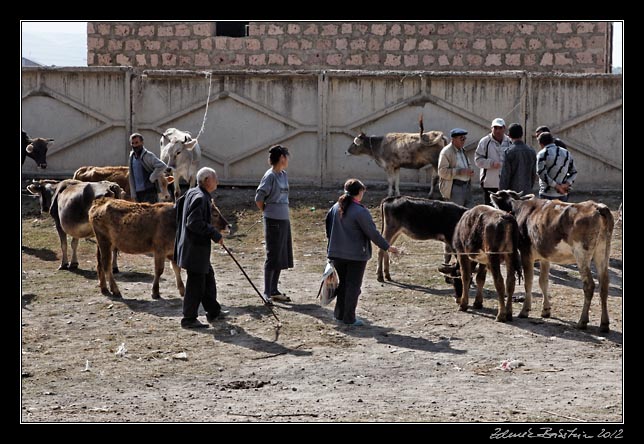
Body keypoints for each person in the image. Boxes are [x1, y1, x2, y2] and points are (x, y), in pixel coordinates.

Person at [325, 179, 399, 326]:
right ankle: (349, 318)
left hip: (336, 253)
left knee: (344, 284)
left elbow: (328, 227)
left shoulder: (335, 208)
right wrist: (388, 247)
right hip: (355, 256)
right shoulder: (360, 211)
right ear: (359, 192)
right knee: (353, 287)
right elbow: (373, 233)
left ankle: (339, 315)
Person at [174, 167, 225, 329]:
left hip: (192, 246)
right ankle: (188, 318)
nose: (217, 181)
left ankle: (213, 311)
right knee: (196, 283)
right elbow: (193, 222)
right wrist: (215, 234)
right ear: (207, 181)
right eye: (215, 178)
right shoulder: (200, 198)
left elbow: (179, 208)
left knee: (207, 276)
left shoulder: (192, 192)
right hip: (194, 248)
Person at [255, 145, 293, 305]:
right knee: (272, 255)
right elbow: (259, 198)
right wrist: (267, 211)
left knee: (281, 255)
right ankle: (266, 292)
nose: (288, 160)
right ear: (282, 158)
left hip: (284, 219)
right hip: (273, 221)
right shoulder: (270, 176)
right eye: (286, 156)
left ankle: (274, 289)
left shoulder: (283, 175)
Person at [438, 128, 474, 265]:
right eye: (461, 139)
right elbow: (442, 171)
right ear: (454, 139)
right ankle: (447, 258)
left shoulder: (462, 151)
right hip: (455, 189)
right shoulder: (447, 152)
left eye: (464, 139)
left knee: (466, 220)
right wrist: (460, 171)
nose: (464, 141)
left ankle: (462, 254)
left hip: (465, 187)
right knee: (452, 224)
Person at [474, 118, 512, 206]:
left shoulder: (509, 141)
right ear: (491, 128)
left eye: (500, 128)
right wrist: (491, 163)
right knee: (490, 209)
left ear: (504, 128)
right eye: (495, 128)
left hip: (506, 183)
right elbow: (477, 160)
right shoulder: (485, 142)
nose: (497, 131)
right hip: (489, 183)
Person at [536, 132, 577, 202]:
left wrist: (557, 186)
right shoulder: (566, 153)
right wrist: (566, 184)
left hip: (546, 194)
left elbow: (541, 173)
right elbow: (574, 172)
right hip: (562, 195)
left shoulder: (542, 154)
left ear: (541, 144)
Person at [128, 132, 168, 203]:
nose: (134, 145)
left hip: (149, 191)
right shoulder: (132, 157)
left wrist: (152, 177)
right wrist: (133, 194)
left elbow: (162, 166)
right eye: (132, 143)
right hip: (138, 193)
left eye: (137, 143)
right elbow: (131, 176)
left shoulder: (148, 155)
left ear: (142, 143)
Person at [499, 123, 538, 195]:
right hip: (527, 191)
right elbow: (533, 174)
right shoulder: (531, 151)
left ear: (509, 135)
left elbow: (505, 176)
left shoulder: (509, 152)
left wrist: (502, 192)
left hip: (512, 194)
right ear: (522, 134)